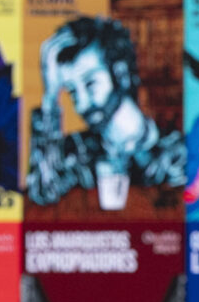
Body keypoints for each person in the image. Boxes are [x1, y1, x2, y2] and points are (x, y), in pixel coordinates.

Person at [27, 16, 186, 210]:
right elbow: (42, 194)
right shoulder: (75, 153)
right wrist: (51, 97)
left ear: (121, 74)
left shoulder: (178, 151)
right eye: (72, 92)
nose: (82, 104)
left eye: (91, 84)